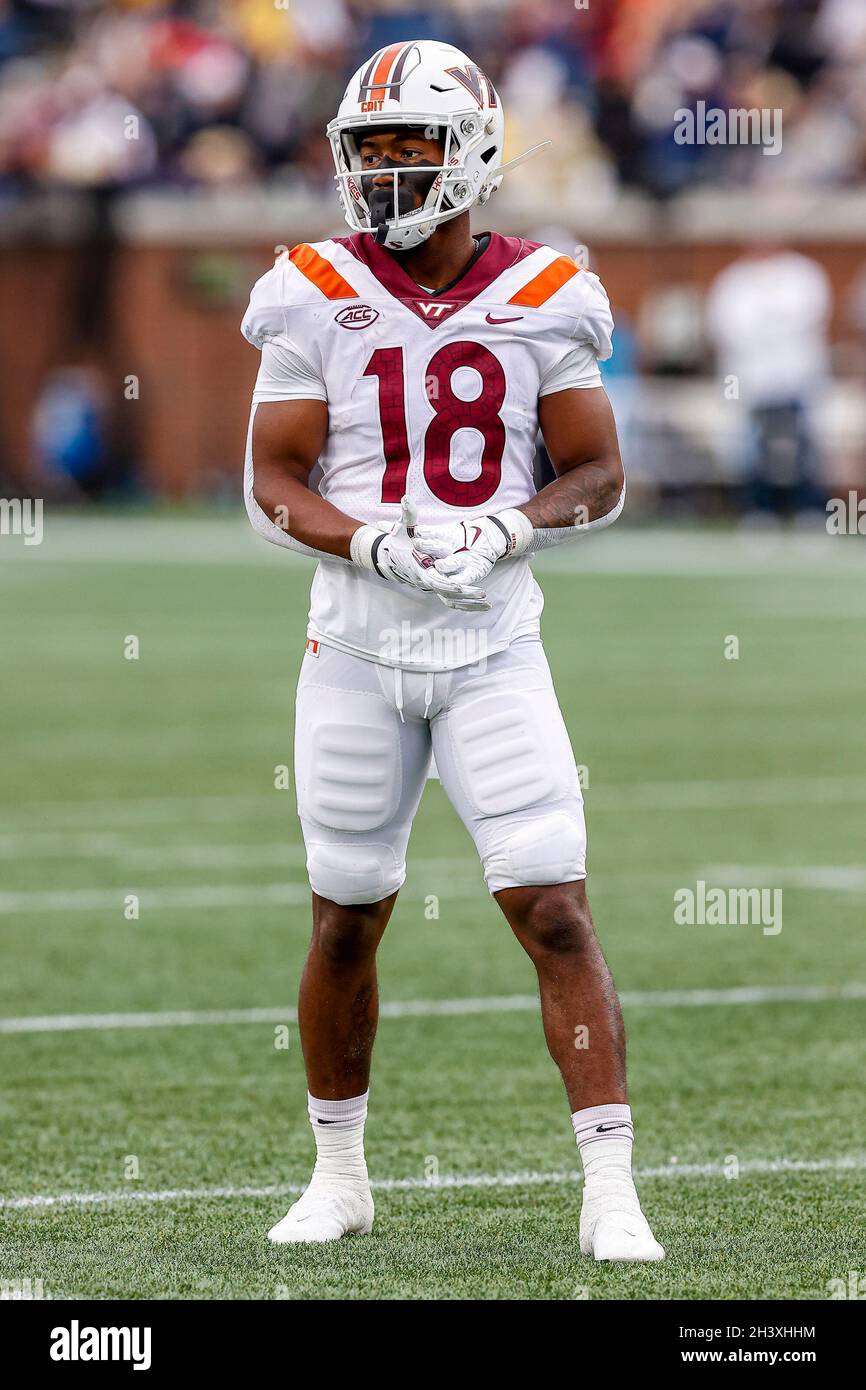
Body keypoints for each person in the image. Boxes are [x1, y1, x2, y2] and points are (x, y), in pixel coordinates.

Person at [241, 38, 663, 1263]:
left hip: (491, 648)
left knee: (555, 913)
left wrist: (509, 523)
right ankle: (339, 1175)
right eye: (365, 149)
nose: (380, 171)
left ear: (469, 152)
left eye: (405, 145)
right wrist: (368, 545)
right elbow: (270, 480)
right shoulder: (312, 284)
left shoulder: (543, 292)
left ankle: (609, 1189)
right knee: (343, 922)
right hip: (355, 647)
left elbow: (598, 471)